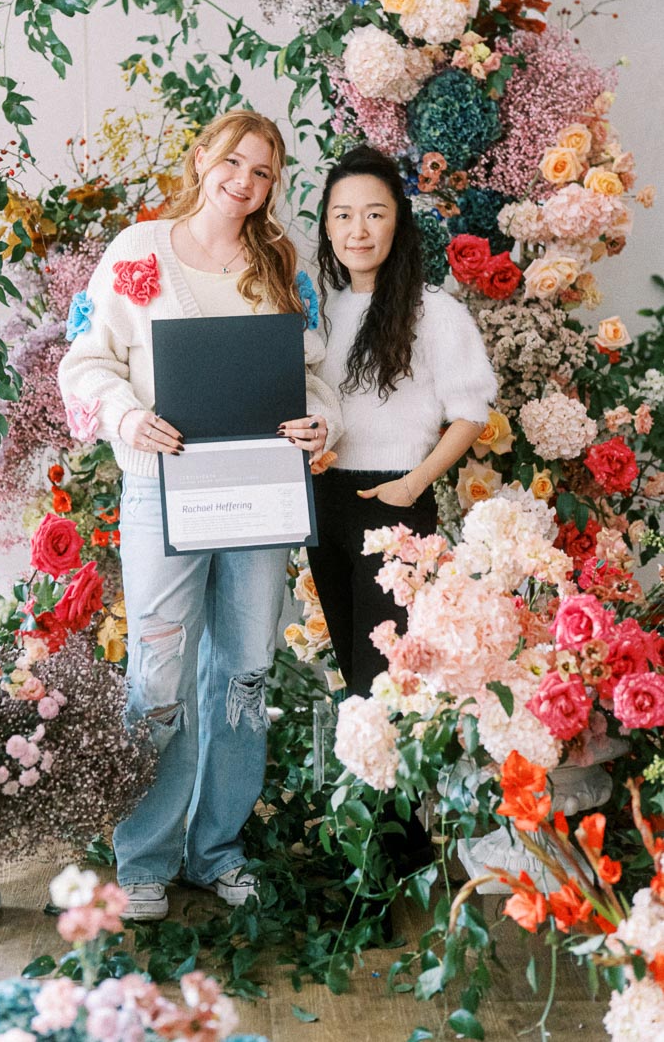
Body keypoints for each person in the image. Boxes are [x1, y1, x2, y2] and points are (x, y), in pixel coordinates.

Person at [58, 108, 341, 921]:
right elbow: (86, 360)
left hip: (259, 489)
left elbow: (313, 377)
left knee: (244, 672)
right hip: (160, 488)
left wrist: (324, 423)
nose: (244, 183)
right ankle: (142, 858)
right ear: (202, 158)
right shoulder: (137, 253)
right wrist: (123, 415)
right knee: (157, 673)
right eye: (233, 164)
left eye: (263, 173)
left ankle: (216, 849)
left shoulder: (282, 266)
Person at [307, 144, 497, 699]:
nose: (358, 230)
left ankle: (401, 789)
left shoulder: (435, 310)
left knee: (390, 685)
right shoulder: (324, 309)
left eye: (374, 213)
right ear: (327, 226)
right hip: (324, 502)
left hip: (394, 506)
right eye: (342, 216)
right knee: (352, 673)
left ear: (398, 222)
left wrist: (413, 484)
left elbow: (470, 414)